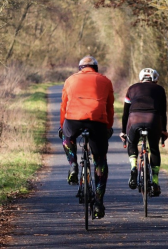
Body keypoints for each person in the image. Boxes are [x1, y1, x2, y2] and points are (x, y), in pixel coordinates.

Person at [58, 55, 114, 219]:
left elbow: (63, 106)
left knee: (68, 137)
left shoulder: (70, 80)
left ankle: (73, 164)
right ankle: (98, 203)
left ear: (80, 68)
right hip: (97, 121)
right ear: (95, 68)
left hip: (73, 119)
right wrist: (108, 127)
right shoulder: (106, 81)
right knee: (100, 161)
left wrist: (63, 127)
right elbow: (109, 108)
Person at [119, 68, 168, 196]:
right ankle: (155, 182)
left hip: (134, 119)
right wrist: (164, 130)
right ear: (155, 79)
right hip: (153, 120)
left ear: (141, 78)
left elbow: (125, 114)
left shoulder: (132, 88)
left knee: (132, 143)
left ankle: (134, 167)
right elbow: (163, 113)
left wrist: (123, 132)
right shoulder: (160, 90)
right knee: (154, 149)